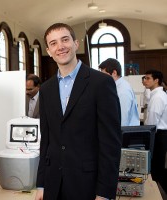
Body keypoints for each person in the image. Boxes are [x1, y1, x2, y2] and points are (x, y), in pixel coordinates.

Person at [35, 23, 121, 200]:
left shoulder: (101, 83)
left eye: (65, 40)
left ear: (76, 44)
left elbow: (110, 143)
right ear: (49, 51)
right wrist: (41, 184)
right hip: (53, 185)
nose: (60, 47)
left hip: (87, 184)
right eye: (53, 43)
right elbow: (47, 141)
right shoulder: (46, 89)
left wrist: (104, 193)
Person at [143, 70, 167, 193]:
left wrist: (146, 136)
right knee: (158, 165)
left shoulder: (157, 97)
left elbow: (152, 122)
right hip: (159, 134)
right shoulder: (157, 94)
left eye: (147, 78)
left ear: (156, 80)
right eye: (144, 78)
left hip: (158, 134)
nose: (144, 81)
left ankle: (158, 192)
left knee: (157, 167)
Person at [99, 58, 140, 126]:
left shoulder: (123, 90)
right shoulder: (116, 87)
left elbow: (123, 119)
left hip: (124, 133)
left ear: (114, 73)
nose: (101, 78)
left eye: (104, 75)